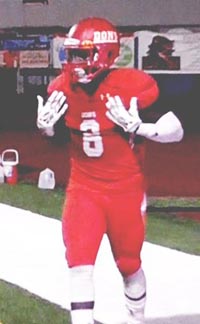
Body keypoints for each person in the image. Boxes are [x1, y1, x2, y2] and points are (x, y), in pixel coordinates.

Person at [36, 17, 184, 324]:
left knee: (129, 264)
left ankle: (136, 318)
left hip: (125, 191)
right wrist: (47, 131)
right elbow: (60, 140)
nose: (73, 62)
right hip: (84, 188)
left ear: (104, 53)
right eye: (72, 53)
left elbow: (177, 130)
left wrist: (143, 127)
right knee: (79, 263)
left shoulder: (132, 86)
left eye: (82, 54)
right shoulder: (62, 87)